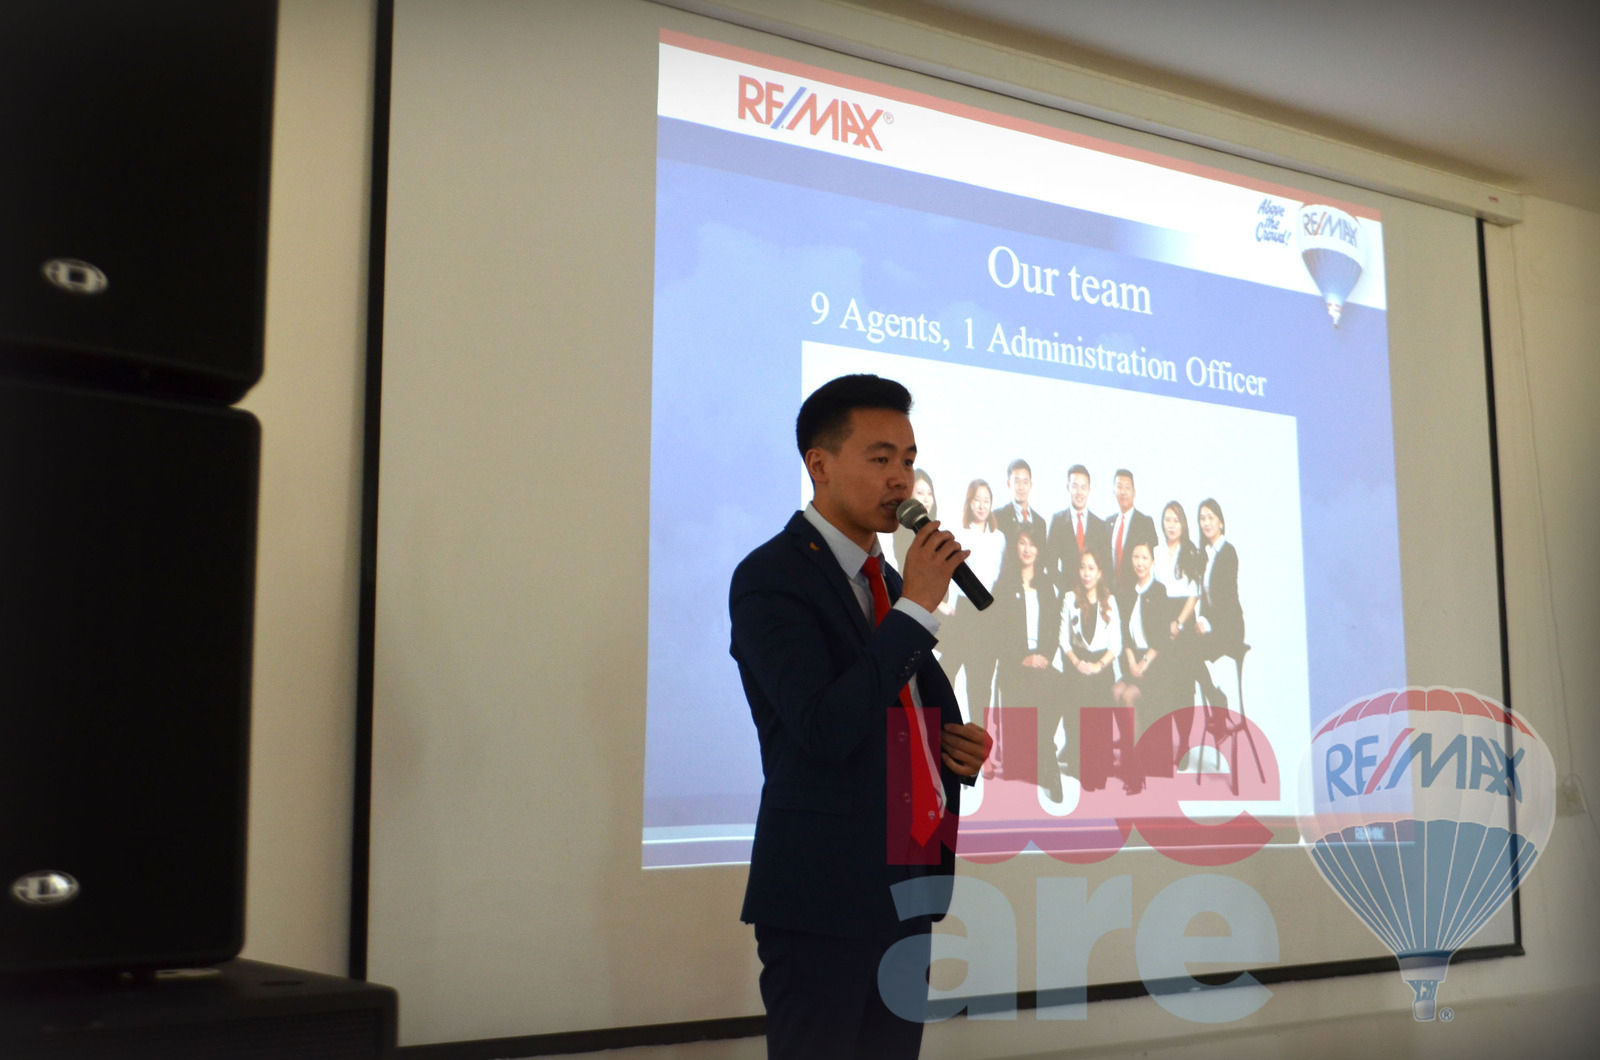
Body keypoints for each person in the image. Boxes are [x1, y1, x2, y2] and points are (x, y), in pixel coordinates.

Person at [728, 374, 991, 1059]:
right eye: (880, 458)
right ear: (819, 464)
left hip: (906, 886)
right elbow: (823, 727)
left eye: (908, 459)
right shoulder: (771, 578)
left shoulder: (890, 582)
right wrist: (916, 609)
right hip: (823, 898)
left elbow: (888, 706)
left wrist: (950, 747)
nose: (902, 479)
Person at [990, 527, 1059, 786]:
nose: (1027, 549)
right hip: (1014, 662)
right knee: (1016, 771)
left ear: (1039, 550)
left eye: (1032, 544)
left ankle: (1045, 759)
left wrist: (1044, 656)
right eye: (1022, 543)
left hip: (1041, 660)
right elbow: (998, 631)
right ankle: (1030, 763)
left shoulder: (1046, 584)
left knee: (1055, 686)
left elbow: (1053, 627)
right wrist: (1021, 659)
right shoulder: (1005, 584)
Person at [937, 479, 1007, 729]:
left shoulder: (999, 538)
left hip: (988, 611)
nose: (981, 505)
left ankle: (980, 734)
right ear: (969, 502)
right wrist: (944, 605)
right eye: (977, 500)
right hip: (962, 612)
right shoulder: (958, 533)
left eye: (986, 501)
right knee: (947, 671)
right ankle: (945, 729)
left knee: (982, 678)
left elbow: (1000, 577)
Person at [1055, 548, 1121, 792]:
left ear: (1100, 572)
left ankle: (1098, 766)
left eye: (1091, 568)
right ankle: (1078, 763)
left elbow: (1116, 644)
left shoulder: (1110, 601)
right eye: (1083, 567)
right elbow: (1063, 640)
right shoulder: (1070, 598)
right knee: (1076, 705)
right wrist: (1077, 663)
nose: (1086, 573)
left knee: (1099, 711)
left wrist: (1098, 665)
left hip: (1101, 665)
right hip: (1077, 663)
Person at [1112, 541, 1175, 793]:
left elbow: (1160, 639)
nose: (1139, 562)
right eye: (1136, 557)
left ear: (1152, 562)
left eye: (1144, 558)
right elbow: (1124, 637)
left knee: (1128, 695)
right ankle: (1129, 754)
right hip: (1133, 661)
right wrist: (1131, 662)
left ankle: (1134, 768)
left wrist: (1143, 664)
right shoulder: (1126, 594)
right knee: (1116, 691)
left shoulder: (1158, 591)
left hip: (1155, 664)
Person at [1194, 497, 1245, 717]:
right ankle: (1215, 699)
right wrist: (1200, 619)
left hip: (1229, 626)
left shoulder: (1227, 552)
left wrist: (1207, 624)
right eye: (1202, 518)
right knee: (1184, 650)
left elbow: (1226, 599)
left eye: (1211, 517)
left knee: (1191, 652)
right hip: (1212, 624)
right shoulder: (1205, 554)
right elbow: (1205, 598)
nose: (1206, 523)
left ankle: (1217, 701)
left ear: (1221, 522)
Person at [1045, 464, 1109, 587]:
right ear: (1068, 487)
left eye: (1083, 487)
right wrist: (1065, 589)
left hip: (1094, 593)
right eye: (1075, 486)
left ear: (1089, 490)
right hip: (1067, 592)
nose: (1079, 492)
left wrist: (1094, 590)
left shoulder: (1100, 525)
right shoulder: (1058, 521)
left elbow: (1106, 565)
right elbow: (1050, 564)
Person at [1105, 469, 1159, 595]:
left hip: (1136, 592)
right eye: (1119, 487)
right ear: (1114, 491)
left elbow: (1152, 559)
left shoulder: (1145, 522)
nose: (1123, 492)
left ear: (1134, 492)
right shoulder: (1108, 523)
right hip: (1110, 593)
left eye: (1127, 487)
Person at [993, 458, 1047, 556]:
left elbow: (1042, 557)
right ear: (1009, 484)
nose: (1021, 487)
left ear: (1030, 485)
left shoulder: (1040, 523)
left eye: (1025, 482)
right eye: (1017, 482)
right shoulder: (998, 517)